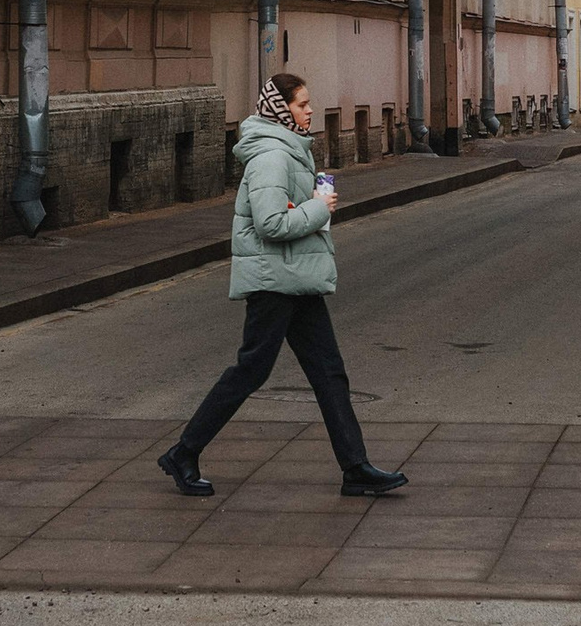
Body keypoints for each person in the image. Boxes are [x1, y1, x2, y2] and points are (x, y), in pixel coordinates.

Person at [159, 74, 407, 501]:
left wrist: (310, 205)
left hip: (297, 278)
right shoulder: (271, 156)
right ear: (280, 109)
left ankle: (355, 468)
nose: (310, 111)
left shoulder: (289, 151)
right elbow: (271, 224)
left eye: (310, 104)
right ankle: (183, 452)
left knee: (329, 373)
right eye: (302, 104)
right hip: (275, 281)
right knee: (251, 370)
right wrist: (316, 207)